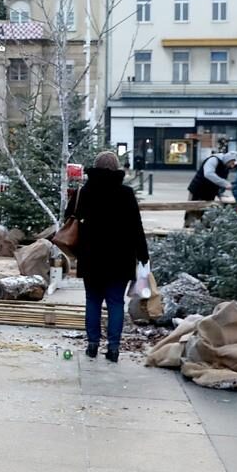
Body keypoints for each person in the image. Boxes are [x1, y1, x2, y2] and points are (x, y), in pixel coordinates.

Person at [68, 150, 149, 362]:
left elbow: (70, 219)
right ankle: (113, 348)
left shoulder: (83, 193)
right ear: (116, 169)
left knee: (92, 300)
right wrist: (143, 255)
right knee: (115, 303)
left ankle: (92, 344)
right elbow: (136, 227)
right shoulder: (126, 193)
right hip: (120, 258)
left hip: (91, 258)